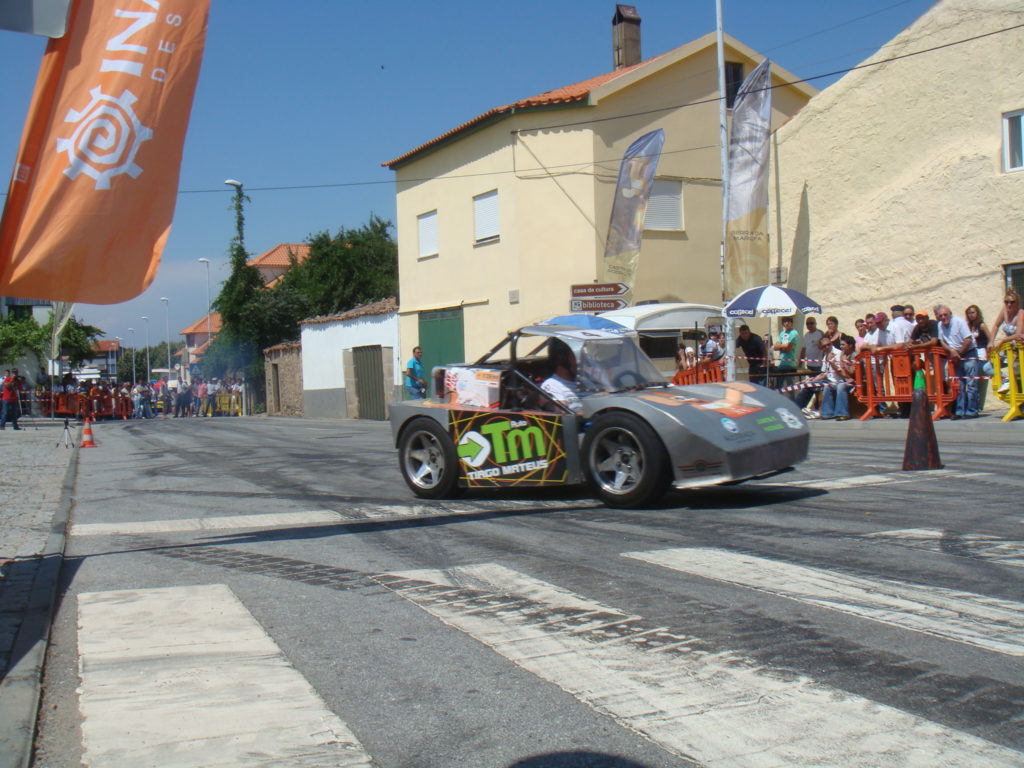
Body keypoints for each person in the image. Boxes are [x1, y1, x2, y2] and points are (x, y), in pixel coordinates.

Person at [936, 304, 978, 418]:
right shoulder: (940, 325)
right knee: (958, 385)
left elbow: (968, 339)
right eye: (941, 316)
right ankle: (960, 411)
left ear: (950, 314)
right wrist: (951, 350)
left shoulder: (959, 322)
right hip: (955, 355)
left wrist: (958, 352)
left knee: (971, 384)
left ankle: (972, 411)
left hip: (968, 352)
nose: (943, 317)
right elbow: (942, 341)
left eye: (945, 314)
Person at [988, 290, 1024, 394]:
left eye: (1012, 302)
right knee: (988, 367)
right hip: (1009, 347)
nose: (1009, 304)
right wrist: (991, 341)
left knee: (1017, 371)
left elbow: (1018, 335)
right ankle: (1006, 380)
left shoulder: (1020, 313)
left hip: (1019, 347)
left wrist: (1003, 340)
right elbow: (996, 326)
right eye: (1006, 302)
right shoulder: (1004, 311)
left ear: (1017, 303)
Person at [820, 335, 858, 420]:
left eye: (843, 345)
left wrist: (843, 365)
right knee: (828, 386)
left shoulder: (855, 356)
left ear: (850, 345)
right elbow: (842, 373)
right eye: (840, 345)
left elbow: (852, 372)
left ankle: (842, 413)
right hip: (846, 379)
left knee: (841, 386)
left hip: (856, 381)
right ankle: (827, 413)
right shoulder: (842, 355)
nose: (841, 347)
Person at [540, 339, 583, 413]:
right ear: (562, 359)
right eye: (576, 357)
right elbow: (562, 413)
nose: (581, 361)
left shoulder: (588, 382)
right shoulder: (551, 385)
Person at [965, 304, 991, 409]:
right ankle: (975, 405)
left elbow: (990, 338)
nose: (971, 315)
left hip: (981, 354)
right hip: (972, 354)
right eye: (969, 313)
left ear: (977, 313)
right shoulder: (968, 326)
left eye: (973, 312)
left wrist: (989, 351)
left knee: (978, 380)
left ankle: (977, 405)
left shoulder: (981, 325)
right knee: (972, 381)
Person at [771, 316, 799, 387]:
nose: (786, 323)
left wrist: (781, 347)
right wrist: (784, 346)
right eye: (784, 322)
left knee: (790, 386)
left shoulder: (794, 333)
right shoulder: (782, 333)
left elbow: (788, 349)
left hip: (790, 363)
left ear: (791, 323)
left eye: (788, 321)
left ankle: (792, 398)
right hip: (781, 363)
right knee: (778, 385)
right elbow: (776, 347)